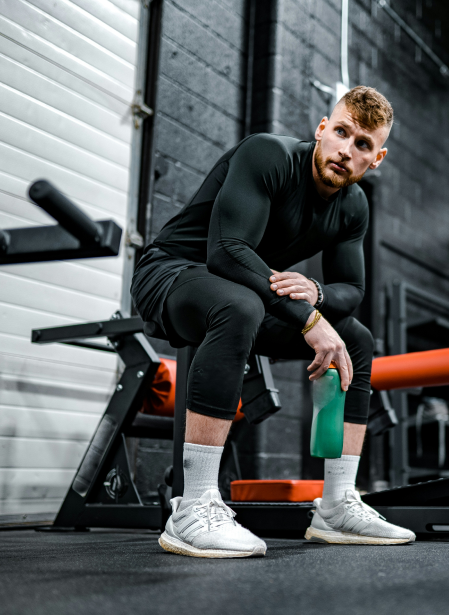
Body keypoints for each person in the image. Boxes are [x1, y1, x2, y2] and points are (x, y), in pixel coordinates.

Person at [131, 85, 415, 558]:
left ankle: (338, 504)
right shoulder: (269, 155)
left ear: (377, 157)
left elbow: (353, 291)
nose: (347, 150)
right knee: (238, 306)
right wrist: (308, 318)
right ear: (322, 129)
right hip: (173, 273)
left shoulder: (353, 206)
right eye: (342, 132)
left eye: (363, 144)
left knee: (356, 338)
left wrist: (317, 294)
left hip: (251, 293)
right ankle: (192, 508)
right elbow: (225, 252)